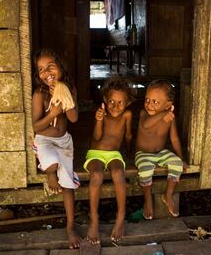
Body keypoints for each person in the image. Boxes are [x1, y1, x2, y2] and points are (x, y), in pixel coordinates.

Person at [31, 49, 80, 249]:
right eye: (41, 69)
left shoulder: (69, 89)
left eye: (50, 66)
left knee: (68, 185)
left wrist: (65, 100)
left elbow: (74, 118)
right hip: (44, 141)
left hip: (64, 142)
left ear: (60, 67)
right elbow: (35, 127)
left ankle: (70, 227)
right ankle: (51, 175)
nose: (46, 72)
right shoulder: (39, 94)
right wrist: (53, 114)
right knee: (51, 163)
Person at [84, 76, 136, 245]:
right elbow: (97, 137)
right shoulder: (102, 114)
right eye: (112, 101)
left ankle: (120, 217)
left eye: (121, 102)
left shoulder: (127, 115)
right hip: (96, 153)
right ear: (105, 100)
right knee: (97, 175)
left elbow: (128, 135)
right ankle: (94, 219)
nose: (115, 106)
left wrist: (129, 154)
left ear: (127, 103)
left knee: (118, 172)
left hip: (114, 154)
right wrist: (99, 120)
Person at [135, 79, 185, 220]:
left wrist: (181, 159)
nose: (149, 104)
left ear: (168, 105)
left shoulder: (170, 118)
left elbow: (174, 139)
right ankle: (148, 199)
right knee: (145, 170)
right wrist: (163, 114)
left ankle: (168, 195)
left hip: (160, 152)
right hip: (143, 153)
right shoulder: (143, 114)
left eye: (155, 102)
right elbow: (146, 125)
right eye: (147, 99)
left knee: (176, 164)